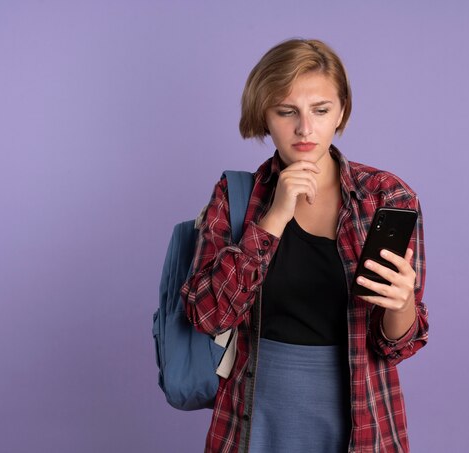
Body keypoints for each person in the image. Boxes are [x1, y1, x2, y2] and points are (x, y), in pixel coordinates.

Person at [181, 38, 428, 453]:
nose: (304, 129)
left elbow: (396, 345)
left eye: (320, 110)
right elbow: (207, 314)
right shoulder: (238, 195)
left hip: (359, 415)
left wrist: (401, 302)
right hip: (254, 413)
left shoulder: (387, 197)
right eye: (286, 111)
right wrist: (274, 217)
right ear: (264, 114)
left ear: (342, 112)